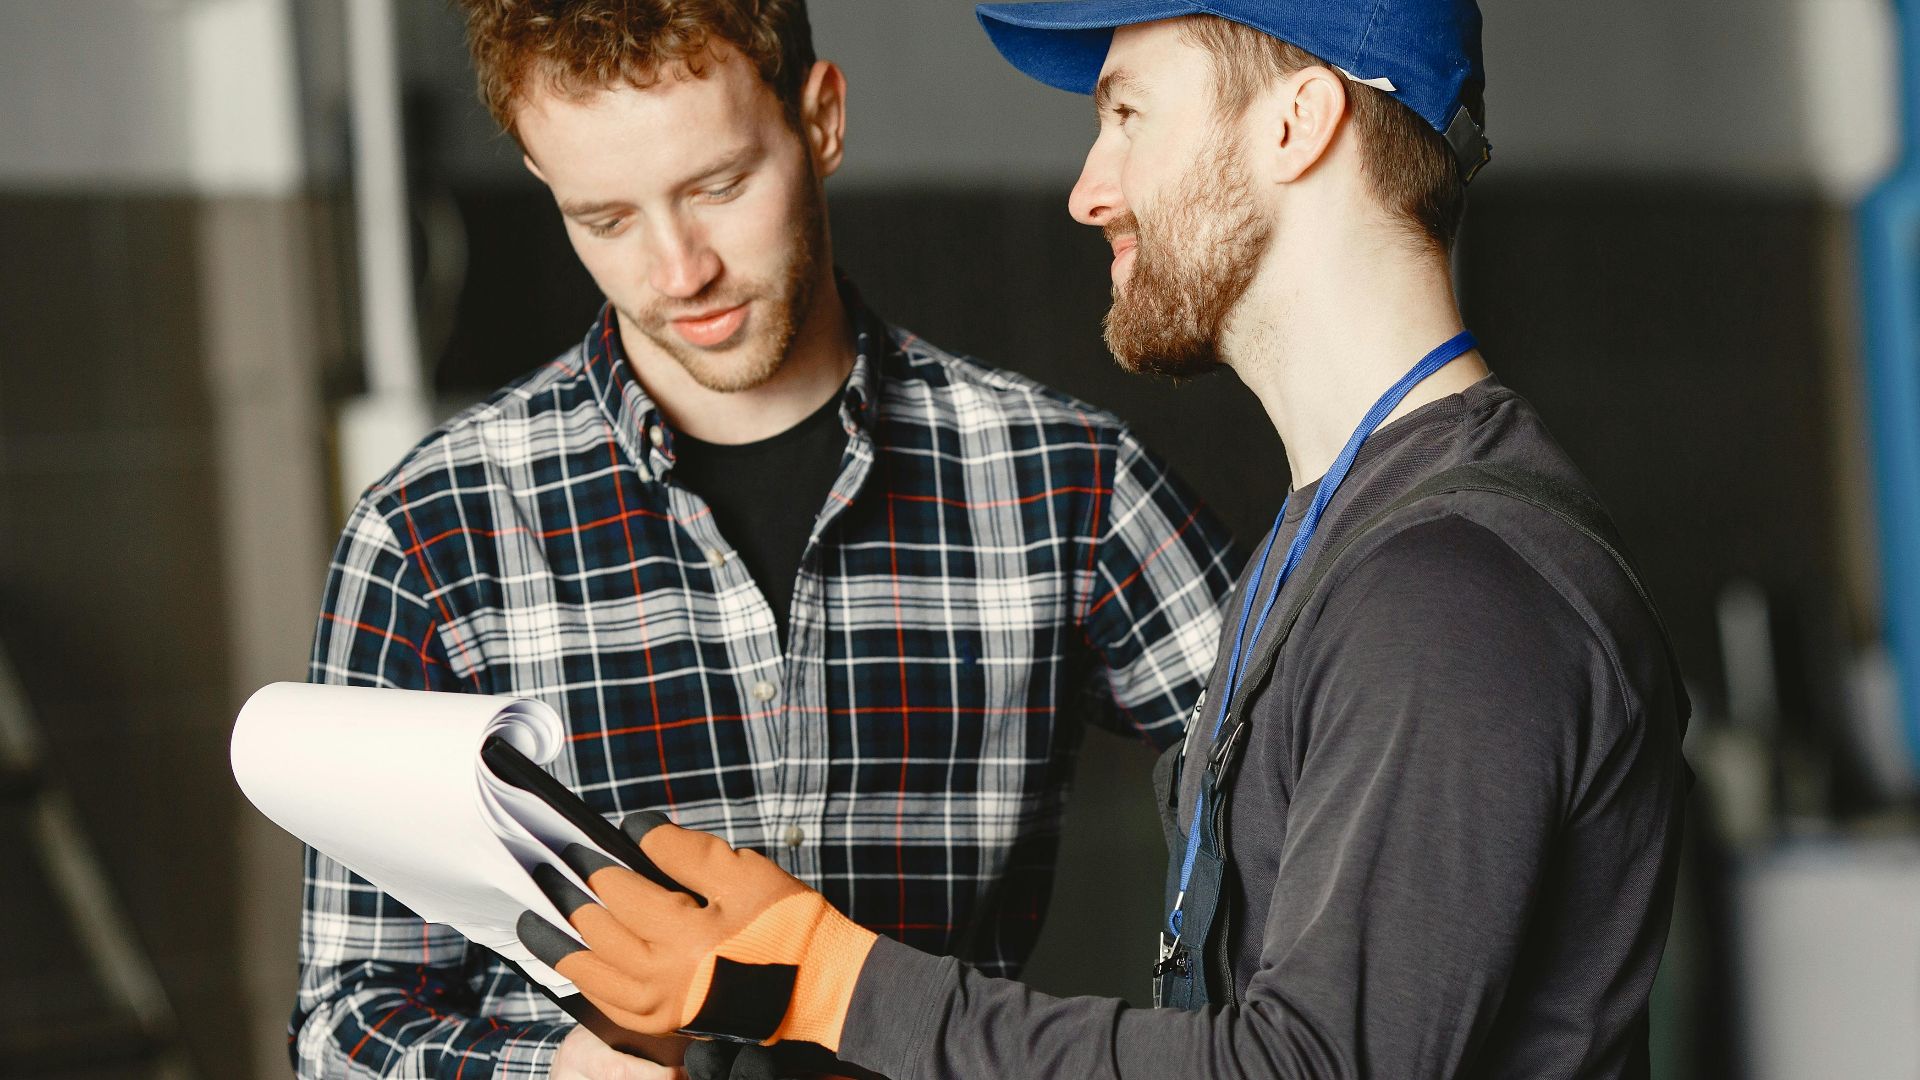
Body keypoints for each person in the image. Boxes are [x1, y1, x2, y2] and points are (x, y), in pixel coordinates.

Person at [515, 2, 1694, 1078]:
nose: (1089, 189)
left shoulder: (1449, 591)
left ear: (1298, 123)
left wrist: (829, 979)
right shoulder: (1337, 537)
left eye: (1127, 113)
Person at [291, 2, 1240, 1077]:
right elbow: (345, 1020)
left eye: (720, 188)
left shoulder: (1061, 480)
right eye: (605, 219)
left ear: (822, 120)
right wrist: (565, 1077)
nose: (678, 270)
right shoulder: (428, 535)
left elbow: (1315, 779)